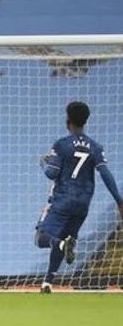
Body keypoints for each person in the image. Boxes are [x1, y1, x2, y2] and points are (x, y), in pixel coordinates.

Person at [36, 101, 123, 293]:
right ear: (85, 121)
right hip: (83, 203)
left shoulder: (61, 145)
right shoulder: (95, 147)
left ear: (68, 120)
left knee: (41, 238)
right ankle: (48, 282)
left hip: (63, 199)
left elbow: (51, 173)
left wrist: (45, 162)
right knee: (65, 238)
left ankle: (60, 245)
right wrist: (119, 201)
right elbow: (105, 173)